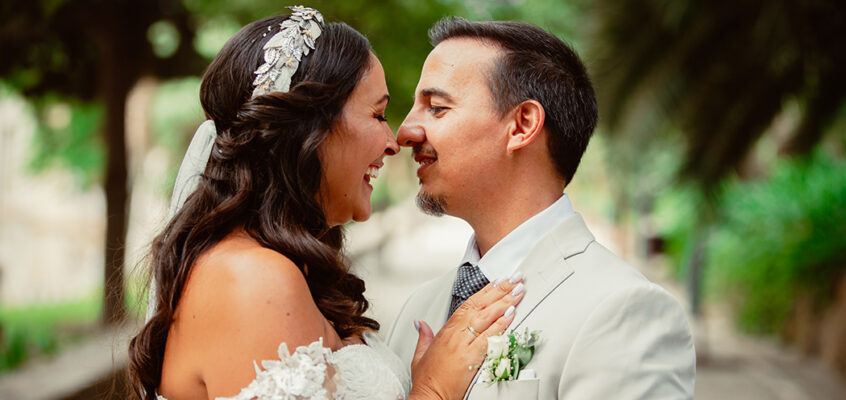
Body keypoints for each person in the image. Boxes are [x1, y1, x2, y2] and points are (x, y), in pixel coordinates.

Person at [128, 7, 524, 400]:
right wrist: (433, 390)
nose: (393, 142)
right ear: (311, 130)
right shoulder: (254, 279)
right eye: (378, 114)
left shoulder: (272, 266)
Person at [387, 17, 696, 399]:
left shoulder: (625, 311)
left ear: (522, 125)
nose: (404, 132)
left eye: (436, 107)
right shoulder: (418, 308)